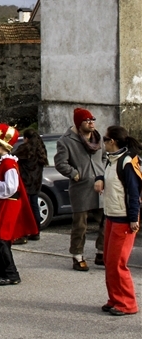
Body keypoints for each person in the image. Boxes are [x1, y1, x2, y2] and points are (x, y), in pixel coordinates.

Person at [0, 124, 38, 286]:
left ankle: (11, 273)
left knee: (2, 239)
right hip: (5, 203)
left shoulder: (8, 164)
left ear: (3, 145)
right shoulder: (5, 162)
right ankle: (1, 271)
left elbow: (10, 187)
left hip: (9, 204)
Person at [54, 108, 106, 270]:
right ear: (79, 123)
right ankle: (77, 256)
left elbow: (104, 156)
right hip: (81, 188)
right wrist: (75, 174)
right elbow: (61, 163)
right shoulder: (66, 141)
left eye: (92, 119)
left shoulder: (98, 137)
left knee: (106, 222)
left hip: (100, 187)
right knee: (80, 225)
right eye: (87, 120)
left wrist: (102, 172)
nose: (91, 123)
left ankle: (101, 252)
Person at [96, 126, 141, 316]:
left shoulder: (127, 163)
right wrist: (100, 178)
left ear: (112, 141)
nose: (103, 142)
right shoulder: (111, 161)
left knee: (118, 263)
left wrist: (133, 218)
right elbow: (111, 179)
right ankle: (114, 298)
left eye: (105, 139)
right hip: (112, 215)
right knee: (109, 260)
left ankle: (127, 303)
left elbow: (133, 192)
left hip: (123, 218)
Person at [14, 129, 48, 242]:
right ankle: (36, 231)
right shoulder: (41, 149)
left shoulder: (25, 149)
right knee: (34, 207)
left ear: (26, 138)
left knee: (24, 209)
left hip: (25, 182)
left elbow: (13, 157)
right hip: (37, 182)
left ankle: (24, 233)